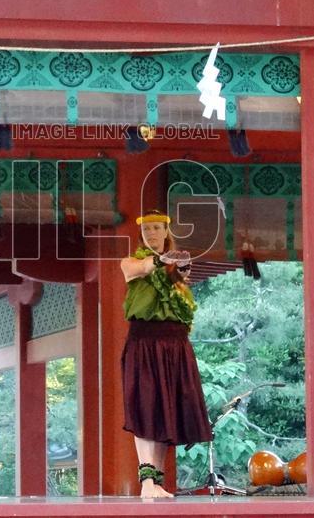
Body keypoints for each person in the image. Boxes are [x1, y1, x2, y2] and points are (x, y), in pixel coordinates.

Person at [120, 211, 211, 498]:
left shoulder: (176, 273)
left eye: (157, 228)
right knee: (146, 406)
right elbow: (139, 269)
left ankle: (155, 481)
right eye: (147, 229)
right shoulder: (131, 261)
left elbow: (181, 281)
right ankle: (146, 481)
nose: (152, 233)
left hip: (175, 343)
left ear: (166, 232)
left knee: (165, 411)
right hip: (145, 342)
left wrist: (177, 266)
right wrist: (162, 260)